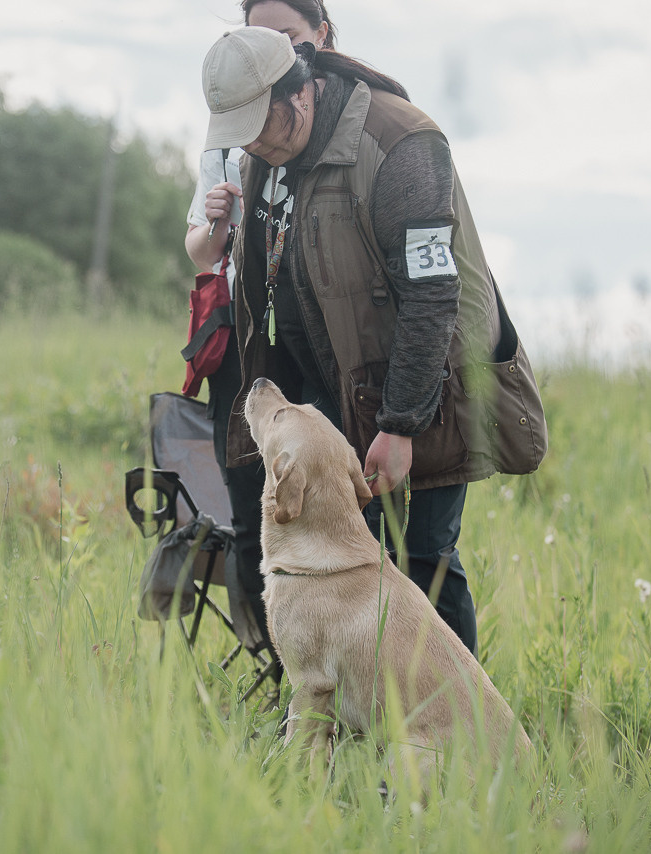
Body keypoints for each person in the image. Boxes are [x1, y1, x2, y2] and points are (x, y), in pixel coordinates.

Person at [200, 27, 532, 656]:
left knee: (421, 559)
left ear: (299, 94)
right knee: (350, 563)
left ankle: (463, 730)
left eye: (258, 124)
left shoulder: (401, 144)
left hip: (426, 382)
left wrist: (402, 422)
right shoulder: (265, 153)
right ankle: (362, 728)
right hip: (333, 389)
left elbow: (434, 295)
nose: (250, 142)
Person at [183, 1, 337, 655]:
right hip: (246, 350)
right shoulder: (227, 133)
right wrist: (215, 223)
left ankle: (342, 665)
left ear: (320, 36)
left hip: (322, 347)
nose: (273, 53)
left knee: (329, 510)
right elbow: (198, 252)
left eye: (289, 38)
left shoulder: (331, 122)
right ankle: (279, 673)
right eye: (258, 37)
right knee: (251, 516)